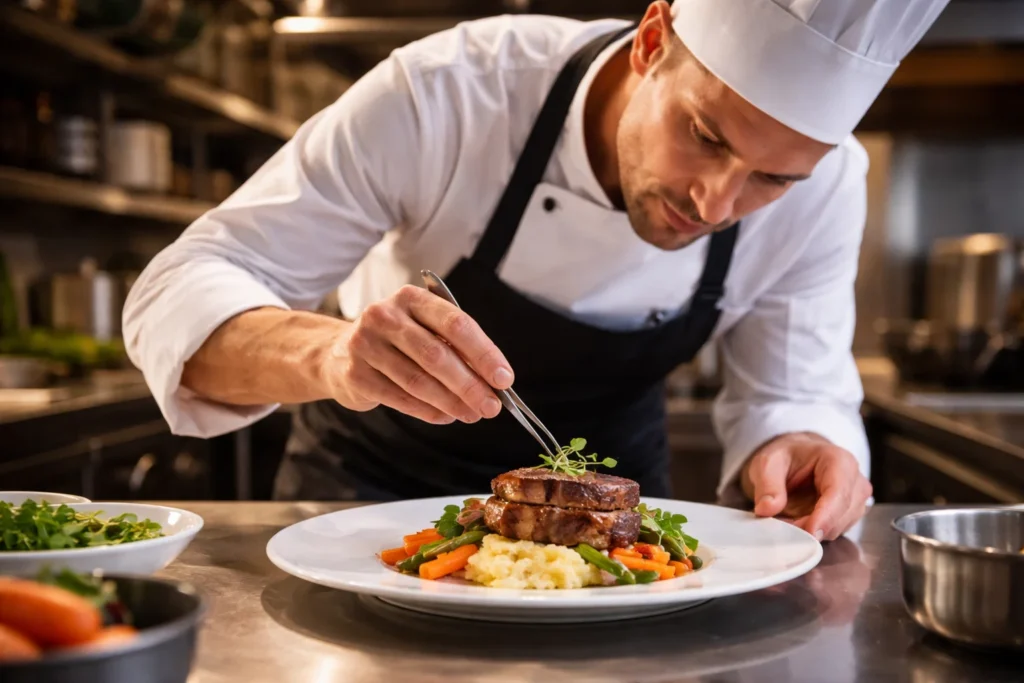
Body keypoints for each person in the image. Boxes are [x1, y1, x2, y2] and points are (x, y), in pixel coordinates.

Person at [123, 0, 949, 540]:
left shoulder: (828, 185)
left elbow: (793, 390)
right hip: (359, 510)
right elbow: (182, 287)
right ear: (652, 42)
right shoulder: (450, 93)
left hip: (608, 532)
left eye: (773, 178)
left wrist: (801, 448)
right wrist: (332, 355)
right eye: (706, 134)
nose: (716, 199)